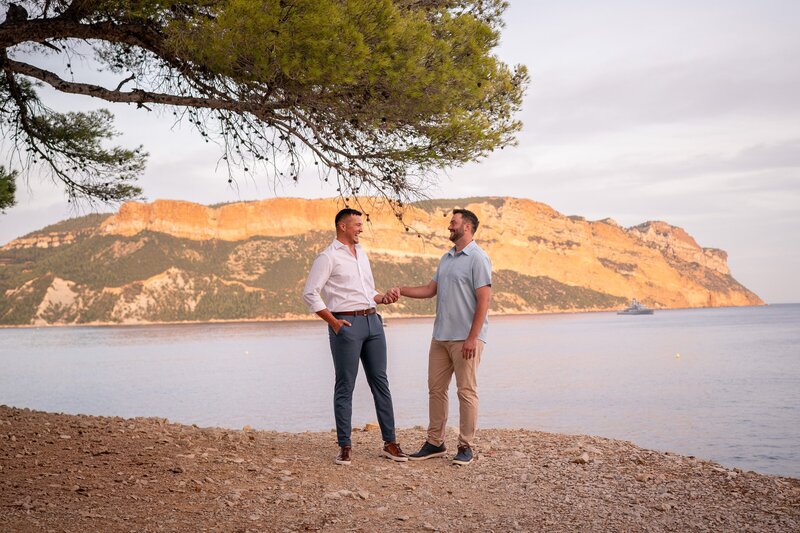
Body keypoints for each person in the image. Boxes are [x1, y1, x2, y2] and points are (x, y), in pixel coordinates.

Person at [302, 208, 408, 465]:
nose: (361, 228)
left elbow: (368, 291)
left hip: (373, 322)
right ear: (342, 226)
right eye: (357, 225)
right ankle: (345, 446)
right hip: (346, 324)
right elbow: (310, 293)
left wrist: (383, 298)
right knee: (345, 385)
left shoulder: (361, 253)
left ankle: (390, 443)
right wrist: (334, 322)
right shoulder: (327, 257)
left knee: (380, 383)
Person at [395, 209, 492, 466]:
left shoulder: (478, 258)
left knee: (466, 391)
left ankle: (466, 445)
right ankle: (435, 443)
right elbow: (430, 290)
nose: (449, 226)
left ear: (467, 227)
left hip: (466, 339)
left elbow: (484, 300)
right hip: (440, 337)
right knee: (436, 390)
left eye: (453, 222)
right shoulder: (446, 258)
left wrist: (473, 338)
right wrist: (401, 290)